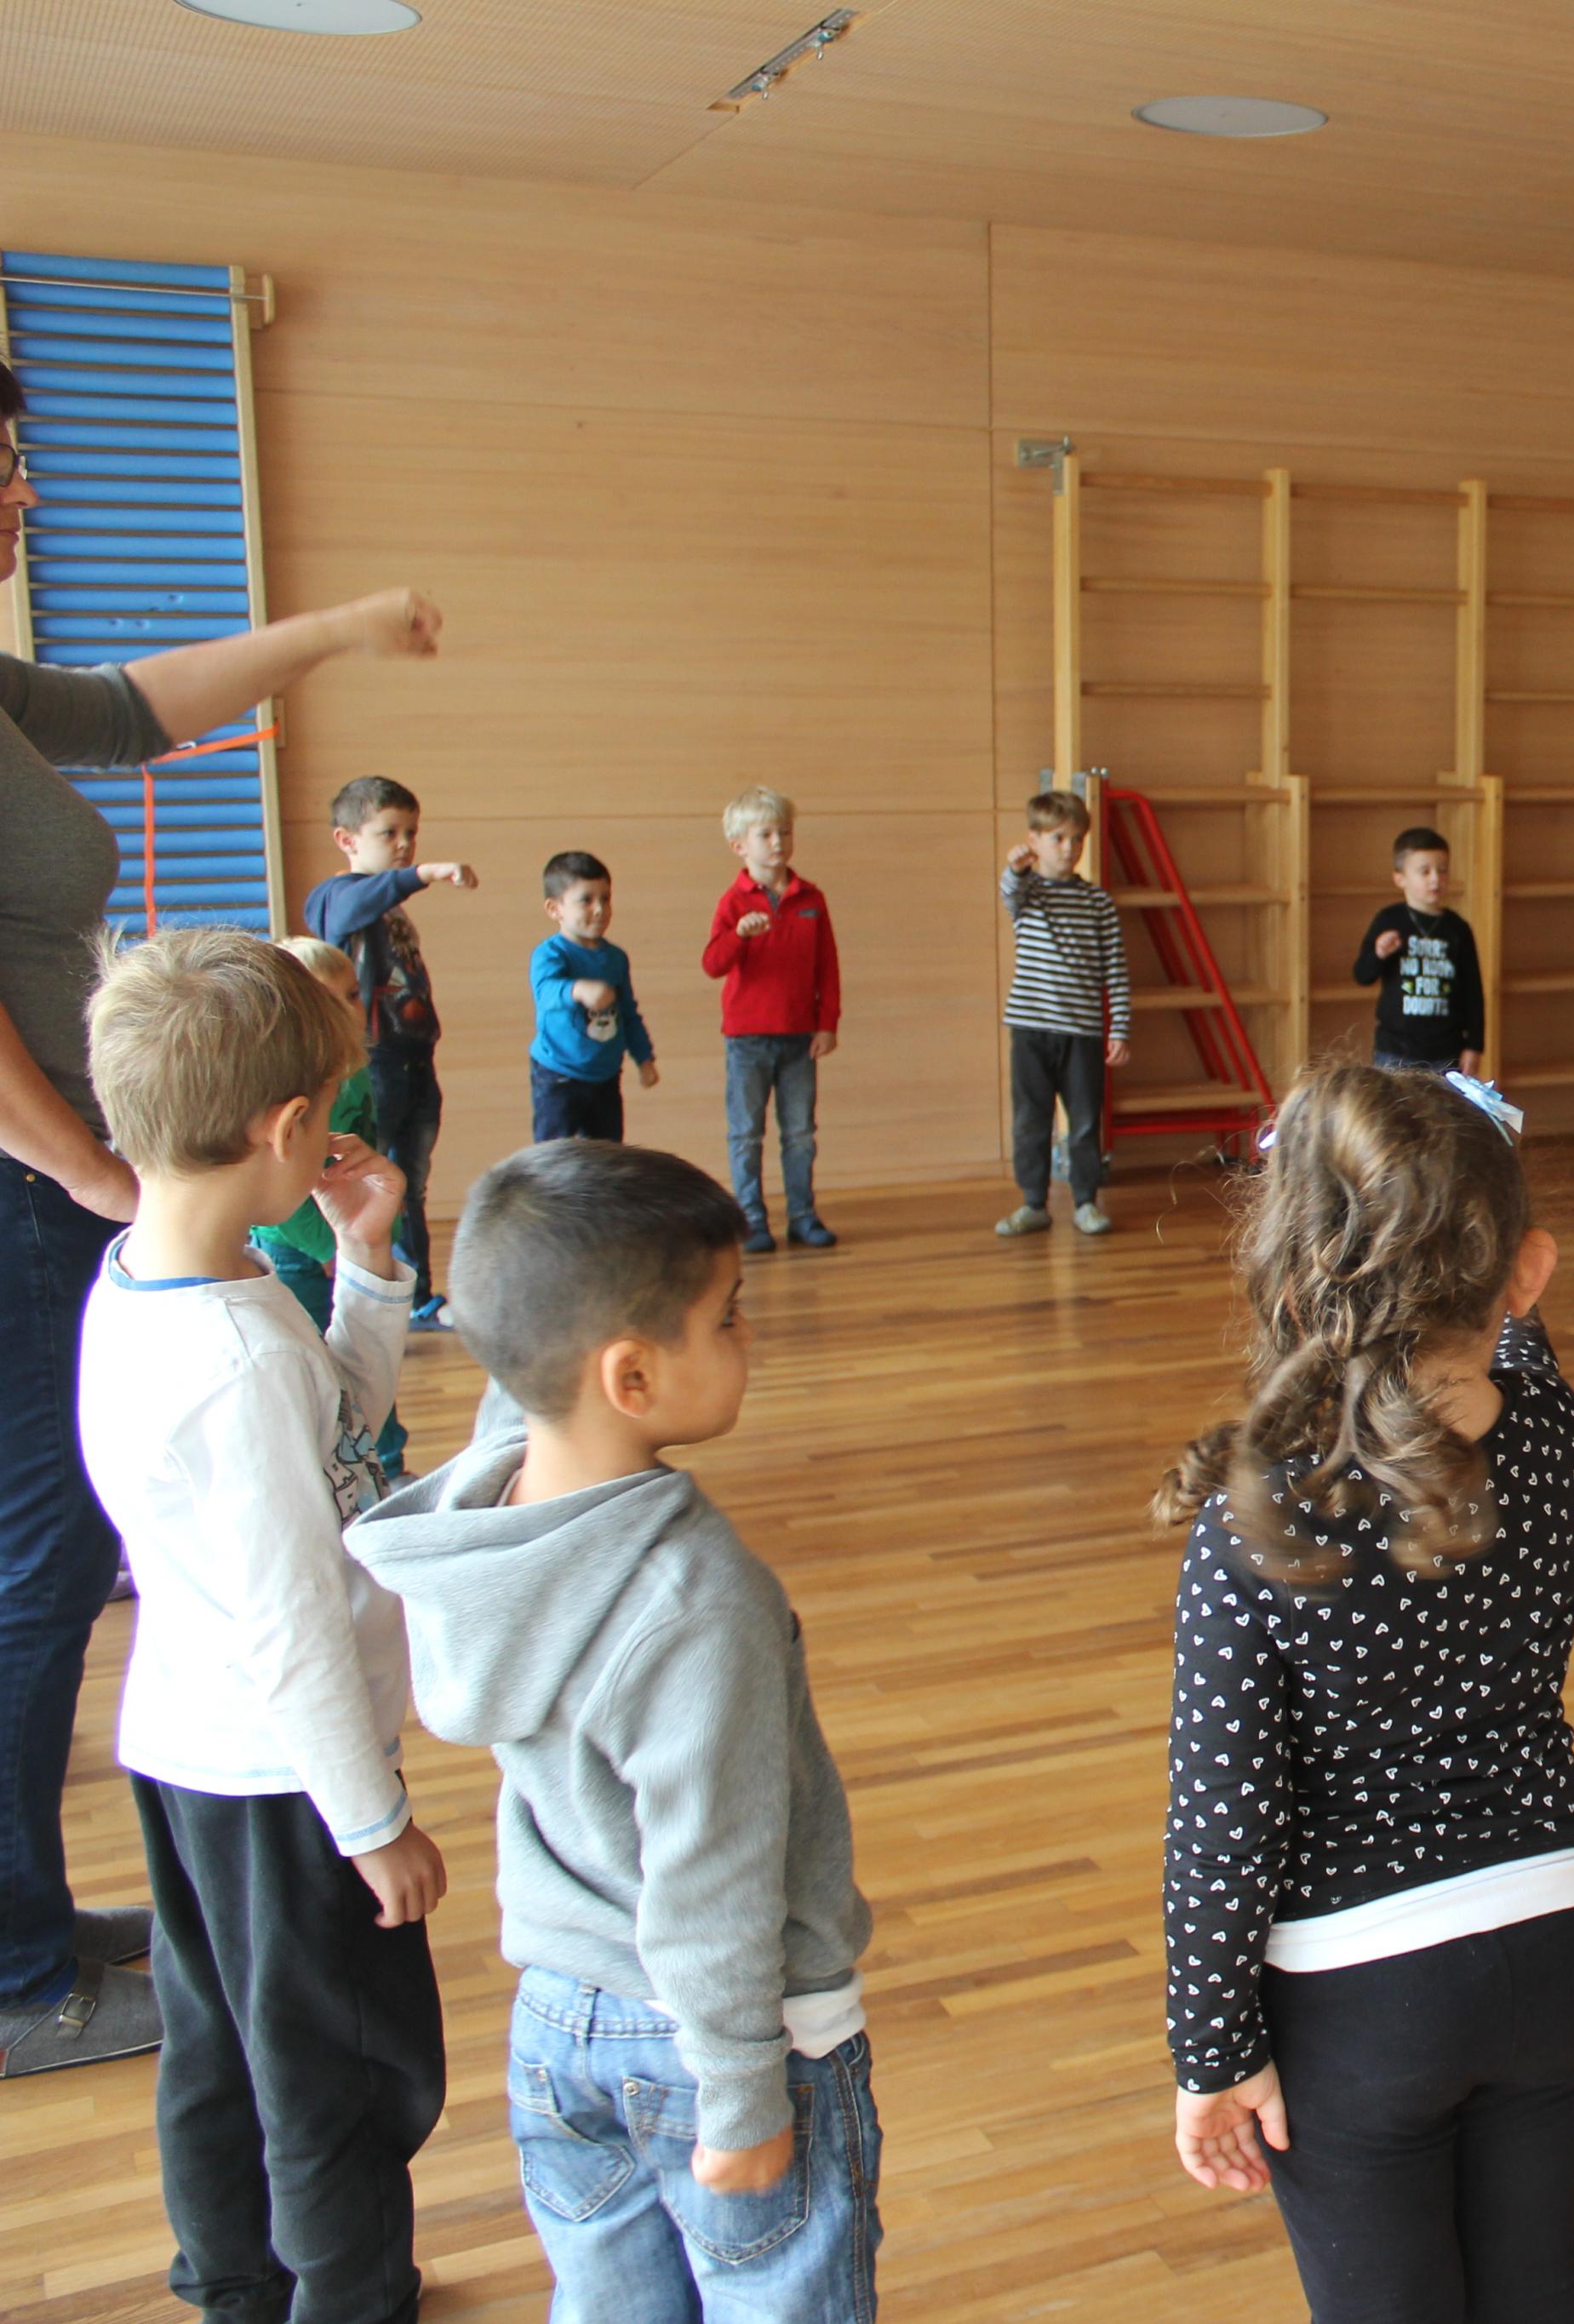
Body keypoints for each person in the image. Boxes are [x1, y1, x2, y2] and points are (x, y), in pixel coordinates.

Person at [0, 346, 443, 2078]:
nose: (26, 489)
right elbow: (291, 1570)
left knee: (63, 1563)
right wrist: (92, 1175)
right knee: (39, 1571)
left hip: (66, 1195)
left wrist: (333, 627)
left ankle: (34, 1917)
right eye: (4, 463)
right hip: (34, 1192)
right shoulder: (210, 1309)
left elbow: (129, 706)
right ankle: (20, 1969)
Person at [348, 1139, 880, 2317]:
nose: (750, 1335)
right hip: (728, 2043)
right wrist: (742, 2096)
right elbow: (709, 1874)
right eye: (727, 1315)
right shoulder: (697, 1601)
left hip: (556, 2017)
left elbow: (524, 1365)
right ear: (630, 1376)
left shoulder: (493, 1517)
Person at [1159, 1064, 1574, 2324]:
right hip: (1550, 1933)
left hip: (1356, 1989)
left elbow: (1223, 1821)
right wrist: (1476, 1161)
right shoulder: (1550, 1430)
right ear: (1526, 1272)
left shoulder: (1260, 1523)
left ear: (1293, 1280)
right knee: (1539, 2284)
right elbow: (1518, 1332)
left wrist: (1211, 2050)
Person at [76, 928, 447, 2315]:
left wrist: (366, 1266)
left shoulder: (154, 1276)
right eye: (329, 1118)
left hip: (185, 1745)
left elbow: (332, 1429)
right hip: (284, 1777)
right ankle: (349, 2296)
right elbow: (295, 1625)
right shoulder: (234, 1356)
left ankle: (232, 2280)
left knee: (219, 2035)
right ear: (287, 1127)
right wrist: (372, 1822)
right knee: (337, 2073)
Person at [305, 775, 480, 1327]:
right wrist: (424, 874)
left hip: (414, 1061)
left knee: (410, 1183)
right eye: (389, 833)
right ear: (347, 839)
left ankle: (416, 1295)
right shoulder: (335, 898)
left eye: (412, 833)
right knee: (367, 1179)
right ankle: (358, 1290)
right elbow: (354, 904)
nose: (404, 844)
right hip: (375, 1065)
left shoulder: (391, 908)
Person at [256, 939, 412, 1482]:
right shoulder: (285, 1086)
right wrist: (329, 1247)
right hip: (296, 1250)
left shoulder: (356, 1068)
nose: (349, 1010)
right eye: (330, 1000)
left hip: (344, 1235)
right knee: (317, 1364)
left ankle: (387, 1466)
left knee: (371, 1350)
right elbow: (276, 1198)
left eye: (352, 995)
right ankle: (330, 1469)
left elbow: (362, 1146)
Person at [702, 785, 841, 1255]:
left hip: (800, 1037)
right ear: (739, 845)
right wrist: (739, 936)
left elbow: (828, 967)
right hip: (747, 1039)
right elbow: (712, 964)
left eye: (784, 831)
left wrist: (827, 1022)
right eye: (765, 834)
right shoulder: (733, 901)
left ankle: (802, 1217)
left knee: (800, 1133)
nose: (778, 841)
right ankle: (750, 1220)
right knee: (746, 1134)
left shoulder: (811, 898)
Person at [998, 790, 1133, 1239]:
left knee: (1085, 1121)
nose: (1068, 848)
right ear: (1034, 839)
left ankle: (1086, 1201)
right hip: (1031, 1030)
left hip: (1083, 1032)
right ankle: (1033, 1203)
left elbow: (1116, 970)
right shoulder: (1029, 892)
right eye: (1057, 838)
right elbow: (1010, 890)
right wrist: (1018, 868)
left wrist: (1119, 1029)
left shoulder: (1097, 902)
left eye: (1077, 839)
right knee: (1031, 1120)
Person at [529, 850, 658, 1142]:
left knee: (607, 1153)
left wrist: (644, 1057)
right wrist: (577, 989)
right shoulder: (550, 954)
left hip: (605, 1075)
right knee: (554, 1155)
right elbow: (545, 993)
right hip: (559, 1075)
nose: (599, 909)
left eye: (605, 898)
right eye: (586, 900)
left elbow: (628, 1013)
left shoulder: (616, 958)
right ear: (555, 909)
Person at [1353, 824, 1485, 1079]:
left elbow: (1473, 993)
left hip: (1446, 1051)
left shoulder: (1458, 928)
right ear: (1400, 878)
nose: (1435, 879)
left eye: (1442, 870)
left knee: (1443, 1106)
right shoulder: (1388, 920)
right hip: (1395, 1050)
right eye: (1425, 871)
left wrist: (1474, 1045)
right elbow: (1362, 975)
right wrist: (1378, 954)